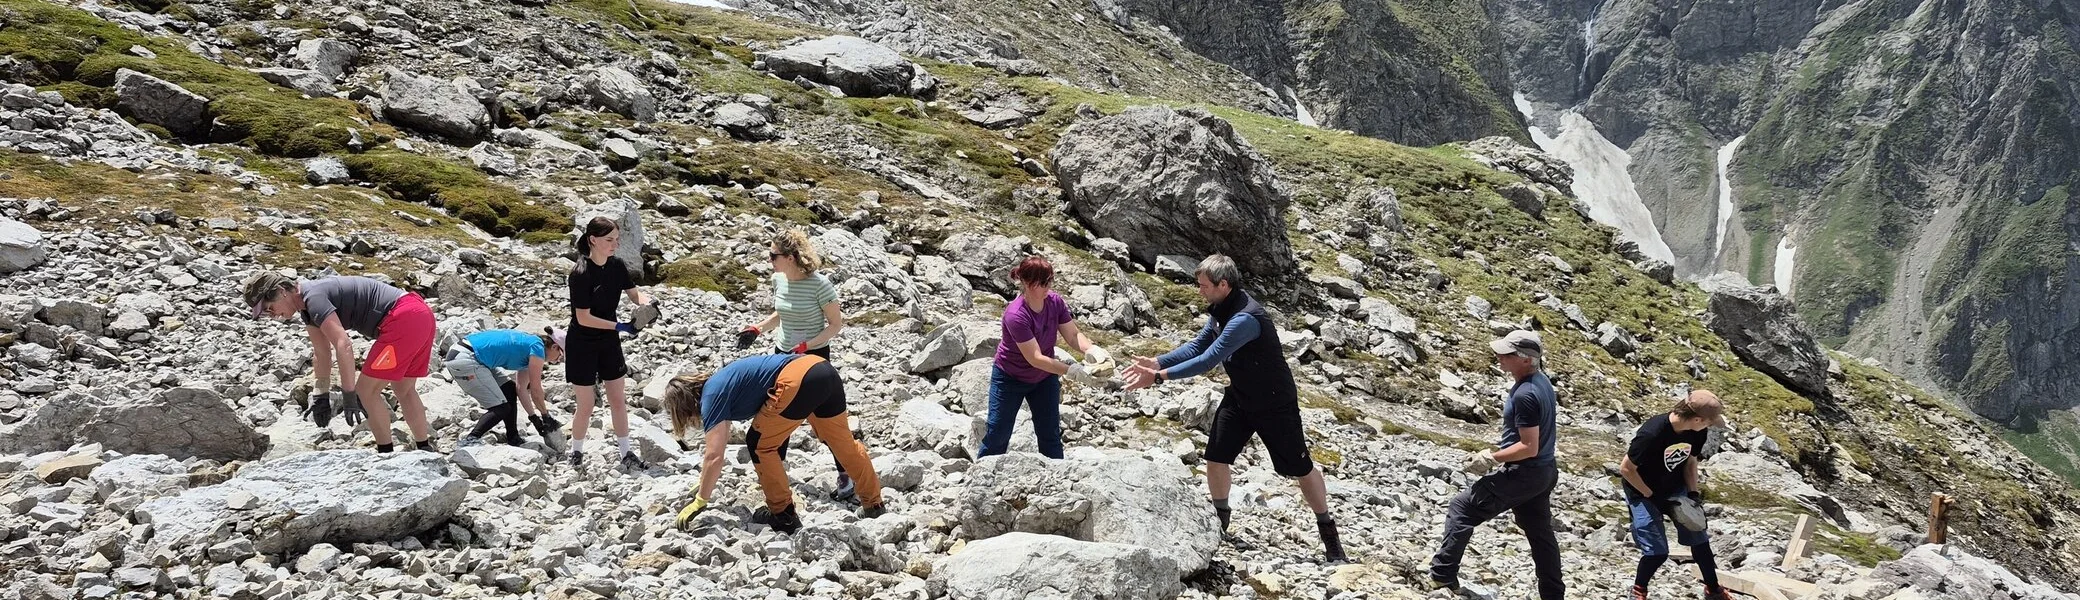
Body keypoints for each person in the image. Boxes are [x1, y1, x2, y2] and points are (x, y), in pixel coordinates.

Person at [1121, 254, 1346, 563]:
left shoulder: (1244, 319)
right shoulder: (1220, 309)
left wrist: (1158, 378)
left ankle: (1329, 533)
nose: (1199, 291)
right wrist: (1159, 361)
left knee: (1300, 468)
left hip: (1274, 402)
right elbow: (1198, 345)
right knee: (1216, 456)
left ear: (1222, 284)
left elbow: (1208, 361)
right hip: (1240, 396)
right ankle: (1220, 521)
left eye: (1202, 286)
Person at [664, 353, 885, 533]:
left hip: (796, 379)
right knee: (842, 443)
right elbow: (717, 450)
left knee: (759, 444)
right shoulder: (720, 383)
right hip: (821, 369)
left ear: (685, 407)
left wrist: (701, 500)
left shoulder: (711, 398)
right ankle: (874, 504)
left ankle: (784, 515)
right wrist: (704, 481)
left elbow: (714, 455)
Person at [1428, 329, 1563, 599]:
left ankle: (1442, 577)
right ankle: (1553, 594)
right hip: (1544, 473)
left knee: (1462, 507)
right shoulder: (1541, 382)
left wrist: (1490, 457)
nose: (1499, 356)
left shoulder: (1526, 393)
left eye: (1506, 353)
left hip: (1525, 473)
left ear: (1526, 359)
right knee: (1540, 534)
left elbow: (1528, 446)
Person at [244, 272, 437, 453]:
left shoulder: (314, 299)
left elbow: (343, 344)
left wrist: (349, 393)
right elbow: (321, 352)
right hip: (418, 313)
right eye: (266, 314)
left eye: (270, 308)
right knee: (403, 389)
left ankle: (386, 455)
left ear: (281, 291)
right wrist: (321, 394)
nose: (273, 315)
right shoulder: (308, 307)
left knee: (365, 392)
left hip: (402, 319)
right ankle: (425, 449)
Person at [737, 230, 857, 500]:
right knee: (776, 414)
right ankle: (774, 474)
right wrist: (758, 329)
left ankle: (846, 475)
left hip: (813, 360)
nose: (769, 260)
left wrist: (808, 345)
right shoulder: (778, 279)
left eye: (773, 255)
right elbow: (782, 312)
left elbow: (836, 325)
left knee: (825, 420)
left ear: (790, 257)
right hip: (781, 355)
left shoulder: (820, 285)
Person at [977, 255, 1112, 460]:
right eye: (1043, 282)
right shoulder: (1016, 315)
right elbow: (1035, 358)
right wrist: (1072, 371)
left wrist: (1092, 350)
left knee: (1049, 434)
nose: (1048, 286)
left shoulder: (1055, 302)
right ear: (1027, 283)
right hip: (1010, 378)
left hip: (1044, 379)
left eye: (1049, 281)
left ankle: (1057, 478)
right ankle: (981, 477)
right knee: (998, 433)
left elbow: (1073, 335)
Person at [565, 216, 662, 471]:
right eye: (609, 240)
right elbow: (583, 318)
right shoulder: (580, 274)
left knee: (618, 399)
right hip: (582, 343)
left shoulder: (617, 266)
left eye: (617, 240)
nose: (614, 245)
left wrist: (647, 303)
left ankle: (626, 452)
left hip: (608, 340)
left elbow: (633, 293)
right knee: (586, 404)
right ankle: (576, 452)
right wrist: (620, 326)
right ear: (592, 240)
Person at [1621, 390, 1732, 600]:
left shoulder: (1697, 432)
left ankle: (1713, 589)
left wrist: (1693, 493)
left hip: (1676, 488)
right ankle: (1638, 589)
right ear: (1698, 419)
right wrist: (1650, 495)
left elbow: (1691, 462)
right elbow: (1626, 469)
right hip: (1642, 492)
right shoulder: (1652, 433)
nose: (1709, 427)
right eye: (1709, 423)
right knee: (1657, 552)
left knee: (1700, 540)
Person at [445, 327, 567, 448]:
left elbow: (521, 389)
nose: (557, 361)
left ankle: (513, 437)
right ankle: (471, 439)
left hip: (468, 354)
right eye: (560, 357)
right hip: (466, 358)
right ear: (554, 347)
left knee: (509, 390)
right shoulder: (537, 349)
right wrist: (546, 416)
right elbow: (536, 390)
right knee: (501, 407)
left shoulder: (531, 345)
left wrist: (534, 418)